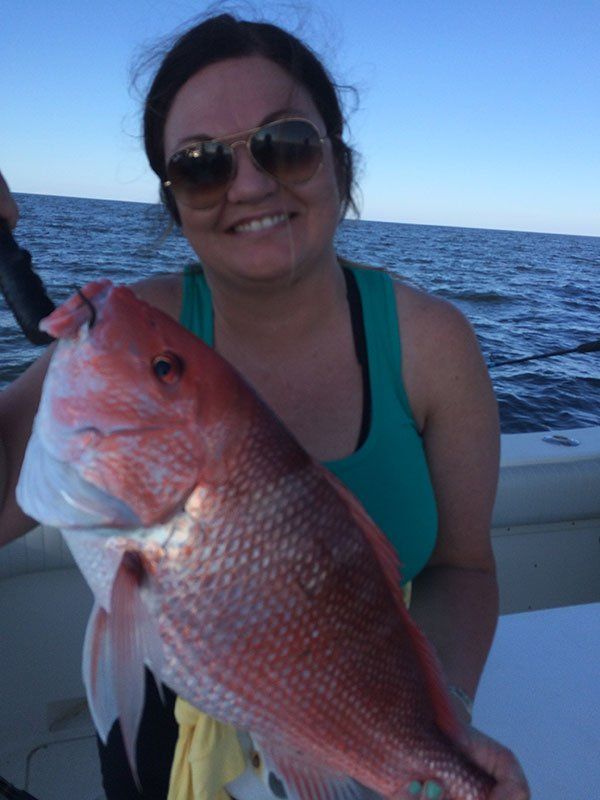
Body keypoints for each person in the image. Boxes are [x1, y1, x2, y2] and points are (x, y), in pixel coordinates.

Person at [0, 13, 529, 800]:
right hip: (160, 743)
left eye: (286, 144)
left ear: (339, 163)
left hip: (372, 725)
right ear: (173, 201)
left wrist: (436, 726)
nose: (249, 184)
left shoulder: (433, 343)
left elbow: (462, 566)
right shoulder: (130, 335)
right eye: (202, 165)